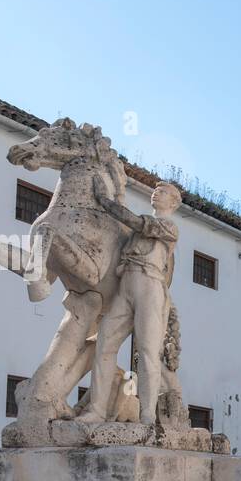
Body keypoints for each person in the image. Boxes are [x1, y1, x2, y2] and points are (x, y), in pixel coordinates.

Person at [79, 179, 181, 427]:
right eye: (156, 190)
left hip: (150, 285)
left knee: (147, 352)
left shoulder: (168, 227)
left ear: (174, 202)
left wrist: (105, 201)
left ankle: (147, 414)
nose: (156, 193)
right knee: (104, 343)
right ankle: (97, 410)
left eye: (163, 192)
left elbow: (135, 221)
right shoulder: (138, 231)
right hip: (126, 285)